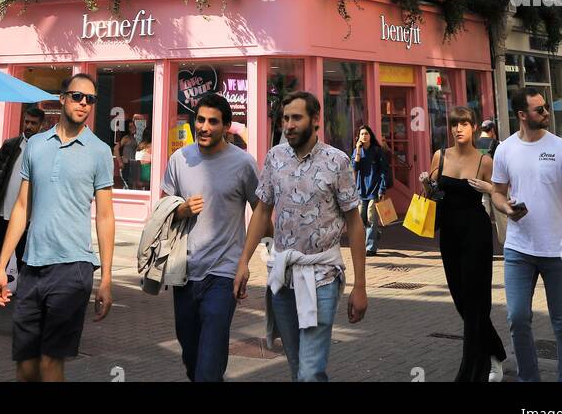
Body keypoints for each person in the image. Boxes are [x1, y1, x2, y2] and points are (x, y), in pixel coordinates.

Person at [234, 91, 367, 382]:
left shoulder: (337, 161)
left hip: (322, 276)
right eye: (285, 118)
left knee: (309, 371)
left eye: (296, 117)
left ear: (315, 120)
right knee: (297, 366)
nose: (289, 125)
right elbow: (261, 211)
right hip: (283, 275)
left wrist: (360, 285)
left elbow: (355, 223)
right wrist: (244, 261)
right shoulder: (274, 158)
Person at [0, 74, 114, 382]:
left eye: (90, 99)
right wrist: (1, 266)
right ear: (62, 99)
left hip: (73, 269)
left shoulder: (99, 151)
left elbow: (105, 216)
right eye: (77, 96)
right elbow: (21, 208)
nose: (84, 103)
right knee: (26, 365)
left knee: (49, 363)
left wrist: (107, 278)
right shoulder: (35, 145)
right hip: (32, 266)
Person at [484, 87, 562, 384]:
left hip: (557, 249)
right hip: (518, 250)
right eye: (539, 110)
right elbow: (497, 193)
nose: (546, 113)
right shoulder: (505, 149)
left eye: (546, 108)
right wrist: (506, 208)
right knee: (518, 318)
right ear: (522, 115)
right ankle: (529, 378)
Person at [161, 92, 261, 382]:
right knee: (191, 356)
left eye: (213, 122)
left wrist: (244, 261)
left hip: (223, 274)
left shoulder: (243, 163)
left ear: (226, 126)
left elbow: (262, 213)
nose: (204, 127)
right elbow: (162, 209)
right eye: (200, 120)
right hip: (185, 273)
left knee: (209, 362)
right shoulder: (180, 159)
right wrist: (180, 209)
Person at [423, 107, 507, 383]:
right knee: (461, 299)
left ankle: (472, 372)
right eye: (455, 124)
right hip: (449, 234)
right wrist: (427, 183)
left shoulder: (485, 160)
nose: (459, 128)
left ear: (473, 128)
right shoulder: (440, 156)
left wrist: (491, 190)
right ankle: (494, 351)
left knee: (476, 301)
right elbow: (433, 195)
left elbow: (499, 194)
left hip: (476, 234)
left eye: (464, 123)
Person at [0, 104, 46, 337]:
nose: (28, 127)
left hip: (30, 220)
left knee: (28, 269)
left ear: (41, 125)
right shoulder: (12, 144)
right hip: (5, 215)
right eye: (26, 122)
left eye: (33, 123)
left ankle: (26, 320)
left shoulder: (45, 149)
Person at [351, 125, 390, 256]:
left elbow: (384, 170)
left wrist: (382, 189)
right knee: (361, 219)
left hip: (374, 190)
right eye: (362, 134)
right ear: (359, 137)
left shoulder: (377, 151)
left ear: (370, 136)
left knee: (371, 218)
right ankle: (374, 233)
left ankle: (370, 248)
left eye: (366, 134)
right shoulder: (357, 151)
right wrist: (357, 149)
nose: (364, 136)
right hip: (361, 190)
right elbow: (354, 167)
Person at [113, 119, 138, 190]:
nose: (133, 128)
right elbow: (116, 148)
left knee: (131, 184)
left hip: (132, 164)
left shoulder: (133, 138)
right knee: (127, 184)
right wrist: (120, 162)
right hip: (127, 164)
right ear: (127, 129)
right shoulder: (126, 138)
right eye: (130, 127)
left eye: (134, 126)